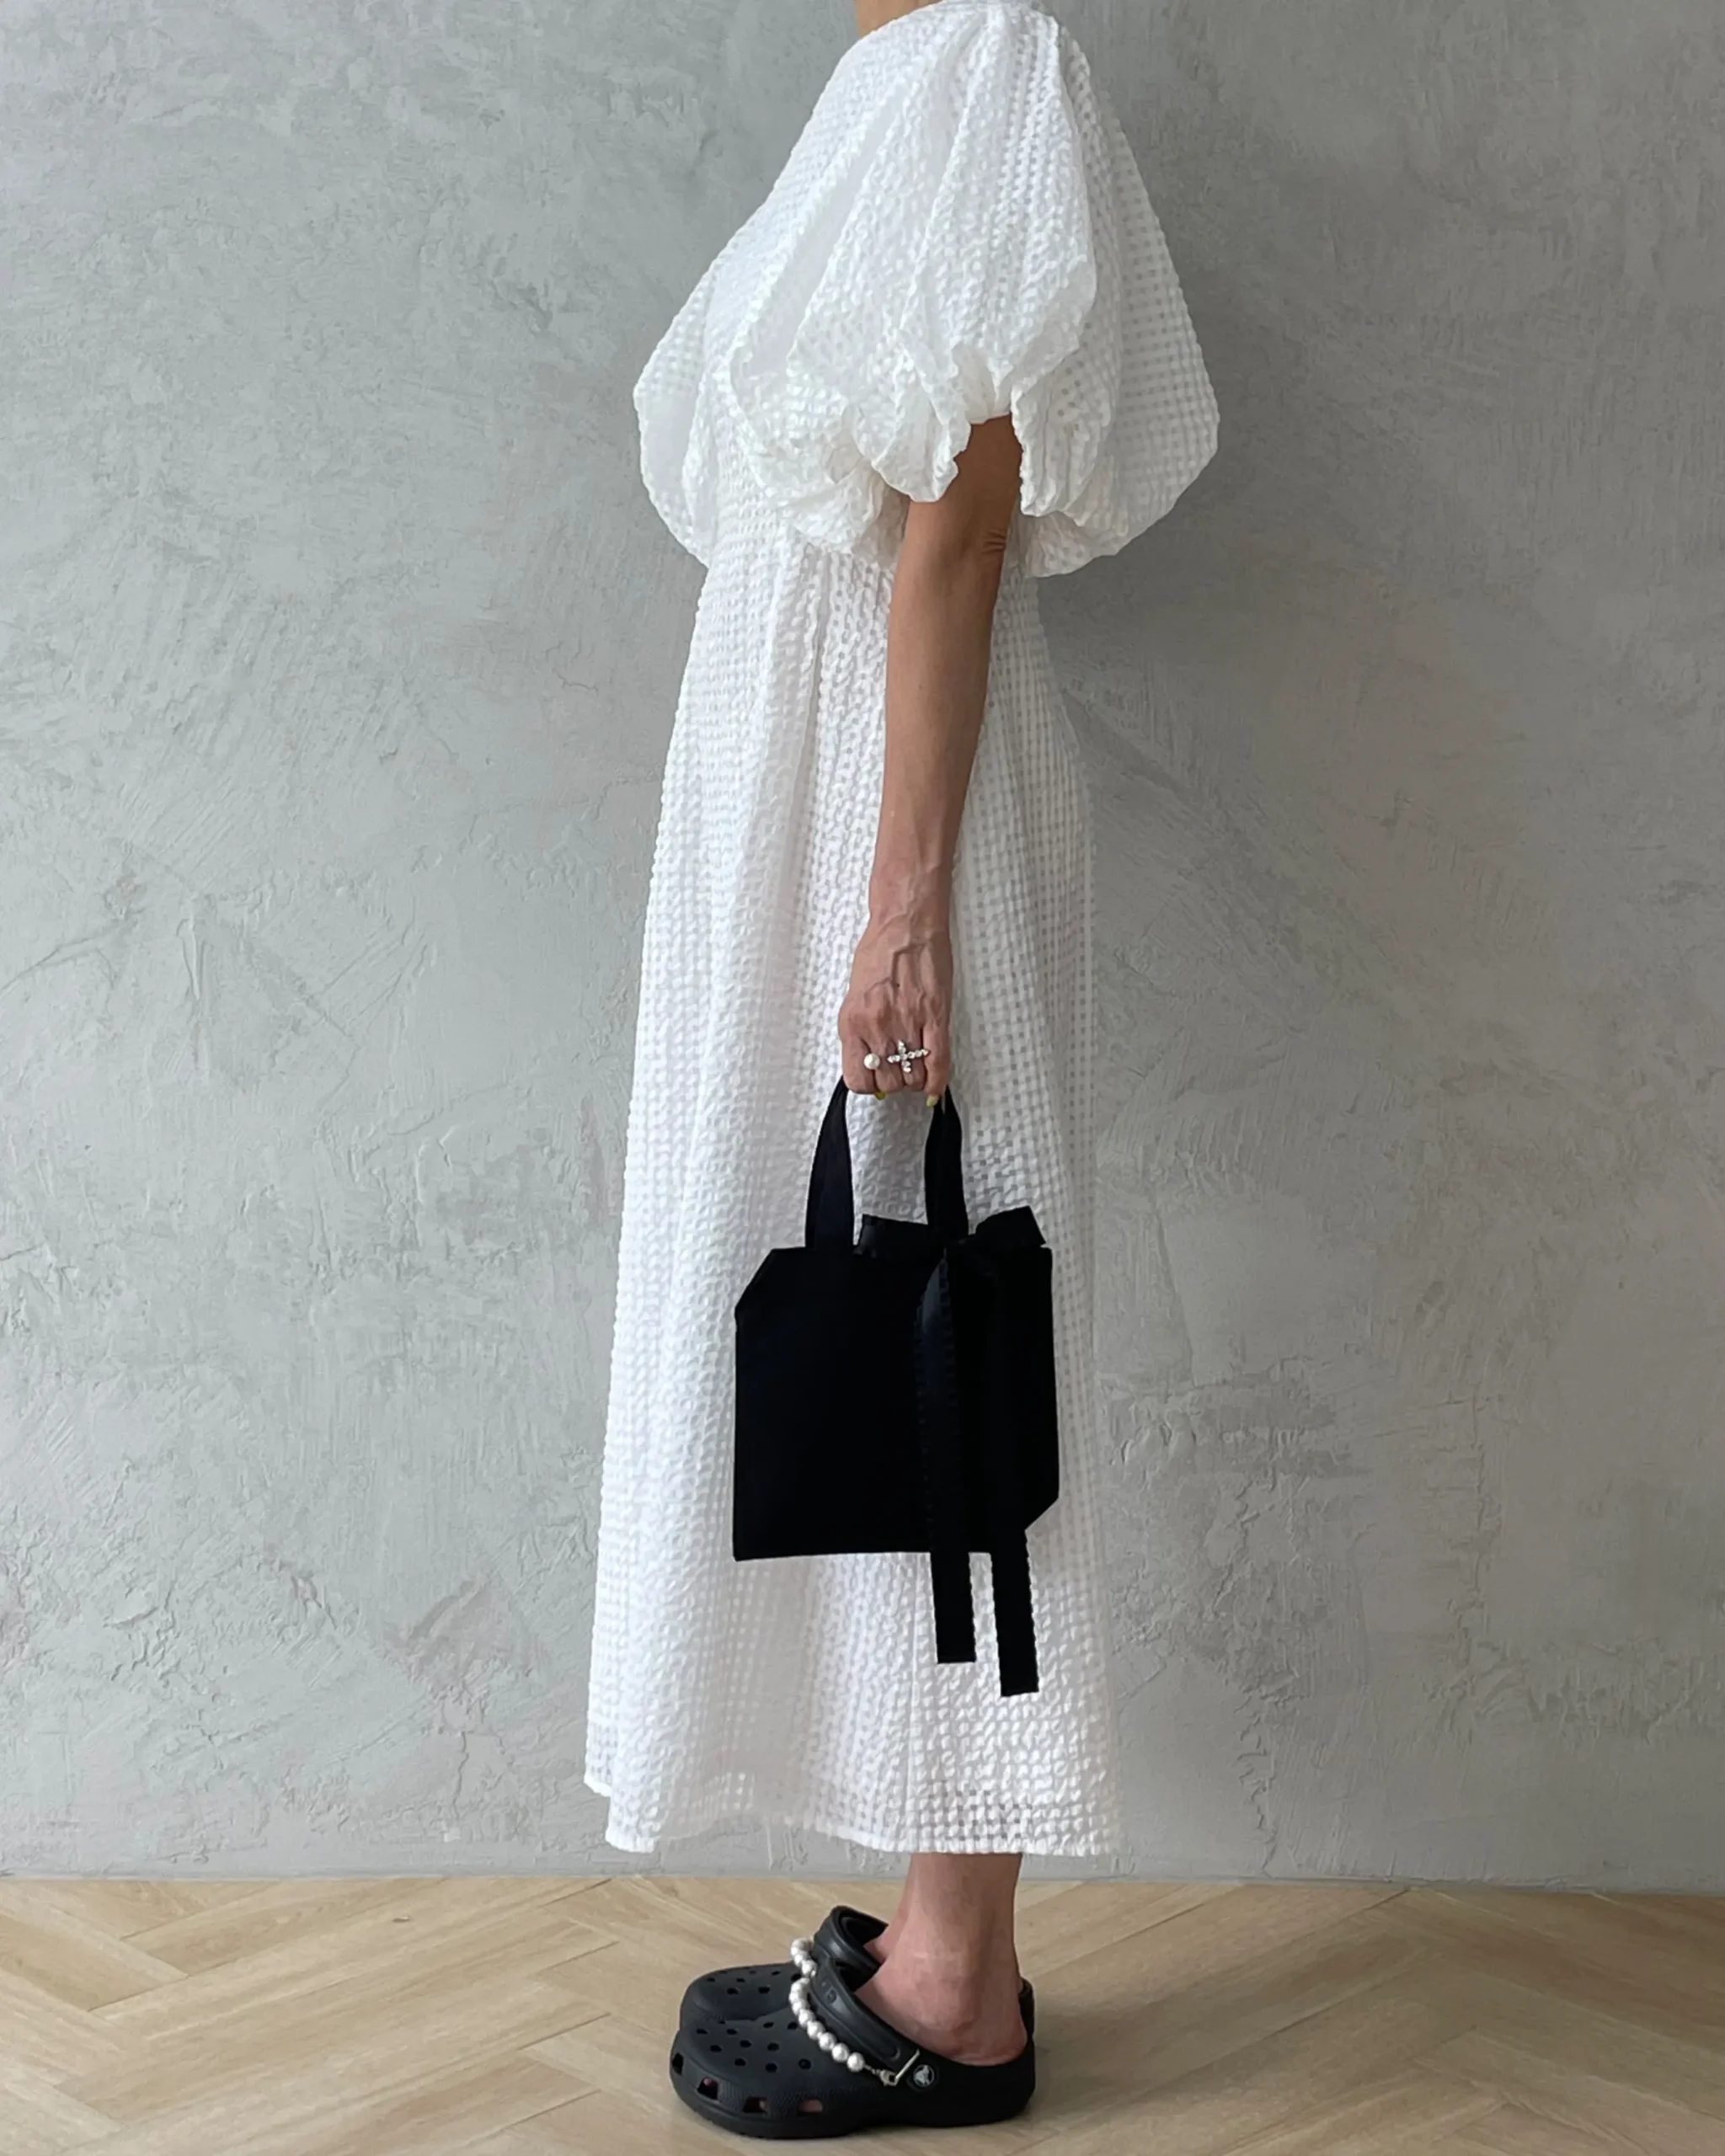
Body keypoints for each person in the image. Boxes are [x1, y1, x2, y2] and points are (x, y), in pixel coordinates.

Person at [585, 0, 1217, 2134]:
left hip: (887, 794)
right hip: (813, 781)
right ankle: (945, 1920)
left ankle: (962, 1982)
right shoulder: (891, 73)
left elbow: (960, 509)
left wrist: (906, 896)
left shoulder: (988, 60)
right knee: (865, 1319)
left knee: (959, 1330)